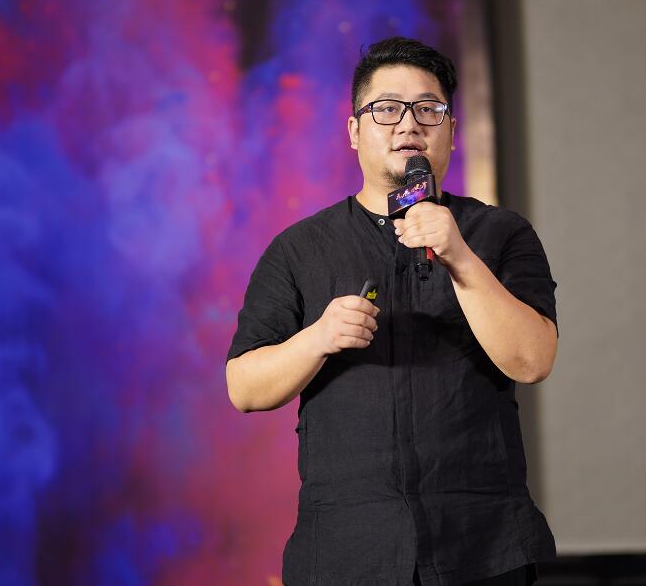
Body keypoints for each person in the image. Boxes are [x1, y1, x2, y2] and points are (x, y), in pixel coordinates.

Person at [226, 37, 558, 585]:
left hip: (481, 543)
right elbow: (244, 388)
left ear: (451, 130)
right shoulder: (299, 248)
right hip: (347, 549)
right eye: (386, 109)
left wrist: (460, 257)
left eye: (428, 109)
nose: (409, 125)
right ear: (354, 131)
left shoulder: (500, 233)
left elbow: (533, 360)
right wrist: (317, 338)